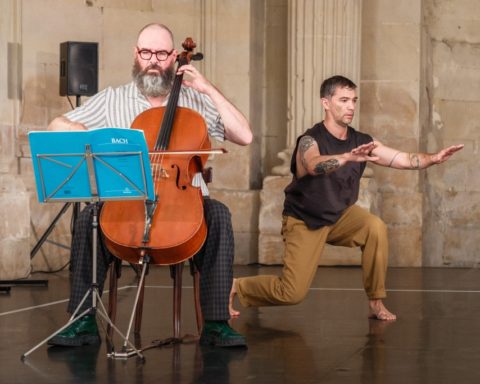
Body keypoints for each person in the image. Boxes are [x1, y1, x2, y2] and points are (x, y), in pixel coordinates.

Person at [47, 23, 252, 348]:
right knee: (89, 219)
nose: (153, 60)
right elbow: (56, 125)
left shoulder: (194, 101)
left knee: (220, 216)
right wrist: (90, 137)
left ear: (174, 57)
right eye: (146, 52)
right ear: (135, 54)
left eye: (161, 53)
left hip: (186, 204)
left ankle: (216, 323)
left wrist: (207, 87)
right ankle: (83, 321)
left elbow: (245, 135)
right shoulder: (113, 99)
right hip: (127, 203)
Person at [230, 75, 463, 321]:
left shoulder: (361, 141)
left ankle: (376, 301)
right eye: (343, 100)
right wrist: (346, 158)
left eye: (353, 100)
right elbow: (313, 165)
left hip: (340, 216)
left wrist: (433, 158)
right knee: (291, 293)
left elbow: (402, 159)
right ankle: (236, 286)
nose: (351, 106)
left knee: (375, 227)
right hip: (305, 219)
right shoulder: (310, 139)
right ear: (326, 103)